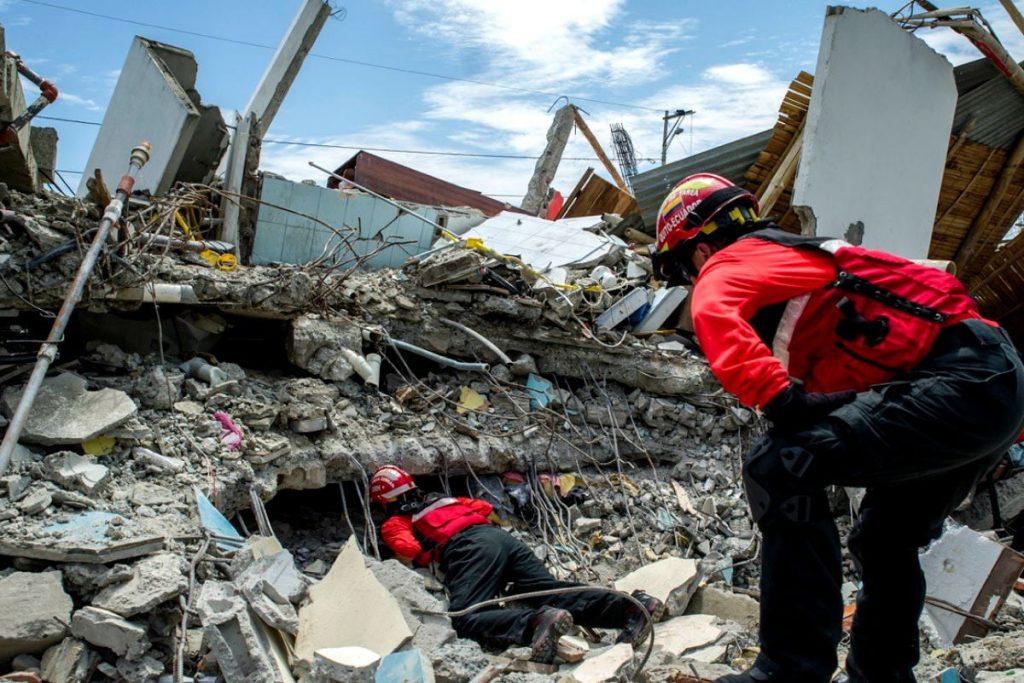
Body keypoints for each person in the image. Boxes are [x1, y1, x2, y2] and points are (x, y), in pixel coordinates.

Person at [652, 173, 1024, 683]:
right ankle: (882, 676)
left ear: (697, 249)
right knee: (886, 537)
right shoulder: (799, 257)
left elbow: (713, 312)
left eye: (682, 270)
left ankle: (791, 669)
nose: (692, 281)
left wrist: (780, 401)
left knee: (779, 465)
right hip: (992, 384)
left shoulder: (729, 261)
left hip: (960, 385)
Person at [370, 465, 664, 662]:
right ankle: (632, 607)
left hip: (470, 549)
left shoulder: (397, 521)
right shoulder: (446, 500)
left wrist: (423, 554)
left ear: (383, 499)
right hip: (500, 538)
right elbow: (484, 507)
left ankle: (536, 622)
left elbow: (405, 547)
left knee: (466, 618)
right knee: (547, 589)